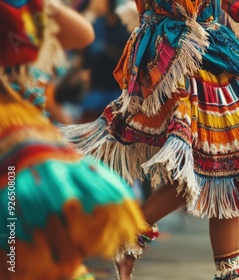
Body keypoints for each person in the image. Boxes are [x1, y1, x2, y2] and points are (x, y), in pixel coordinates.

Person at [60, 0, 239, 279]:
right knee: (218, 170)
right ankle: (131, 237)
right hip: (188, 64)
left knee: (226, 171)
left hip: (200, 58)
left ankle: (223, 269)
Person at [0, 1, 144, 279]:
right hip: (23, 136)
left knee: (19, 244)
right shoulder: (27, 13)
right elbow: (82, 33)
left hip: (22, 140)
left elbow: (83, 34)